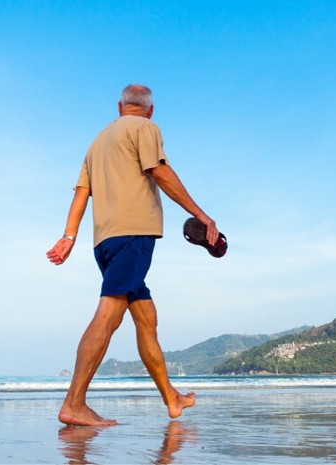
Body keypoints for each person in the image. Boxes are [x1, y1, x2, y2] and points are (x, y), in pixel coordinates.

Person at [47, 84, 220, 426]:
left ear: (119, 106)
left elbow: (82, 194)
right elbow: (160, 171)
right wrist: (202, 215)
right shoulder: (146, 128)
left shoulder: (97, 143)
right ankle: (74, 404)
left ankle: (171, 398)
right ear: (150, 110)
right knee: (109, 315)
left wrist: (69, 236)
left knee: (145, 317)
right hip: (133, 235)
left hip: (104, 242)